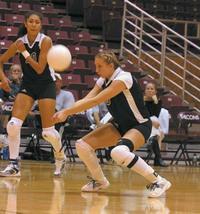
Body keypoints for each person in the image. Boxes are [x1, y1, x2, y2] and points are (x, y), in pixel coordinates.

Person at [53, 50, 171, 197]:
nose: (96, 70)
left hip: (140, 125)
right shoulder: (103, 80)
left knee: (118, 152)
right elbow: (86, 100)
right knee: (82, 145)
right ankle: (99, 181)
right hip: (119, 125)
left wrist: (66, 112)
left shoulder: (124, 78)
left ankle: (159, 181)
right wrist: (66, 111)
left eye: (99, 66)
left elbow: (95, 101)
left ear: (110, 65)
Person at [0, 11, 66, 177]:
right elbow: (0, 61)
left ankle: (60, 154)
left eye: (37, 22)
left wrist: (24, 53)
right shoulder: (19, 42)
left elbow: (39, 68)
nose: (34, 24)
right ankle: (14, 165)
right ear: (25, 23)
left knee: (47, 132)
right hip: (28, 85)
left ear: (40, 25)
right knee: (13, 124)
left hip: (45, 85)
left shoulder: (45, 41)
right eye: (31, 21)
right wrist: (4, 80)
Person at [144, 82, 169, 167]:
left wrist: (155, 101)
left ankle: (151, 139)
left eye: (152, 89)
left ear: (155, 91)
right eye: (148, 88)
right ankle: (158, 159)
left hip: (152, 126)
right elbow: (141, 114)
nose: (150, 90)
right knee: (158, 133)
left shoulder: (158, 101)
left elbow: (155, 114)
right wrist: (150, 121)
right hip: (142, 122)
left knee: (158, 134)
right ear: (145, 91)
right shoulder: (140, 100)